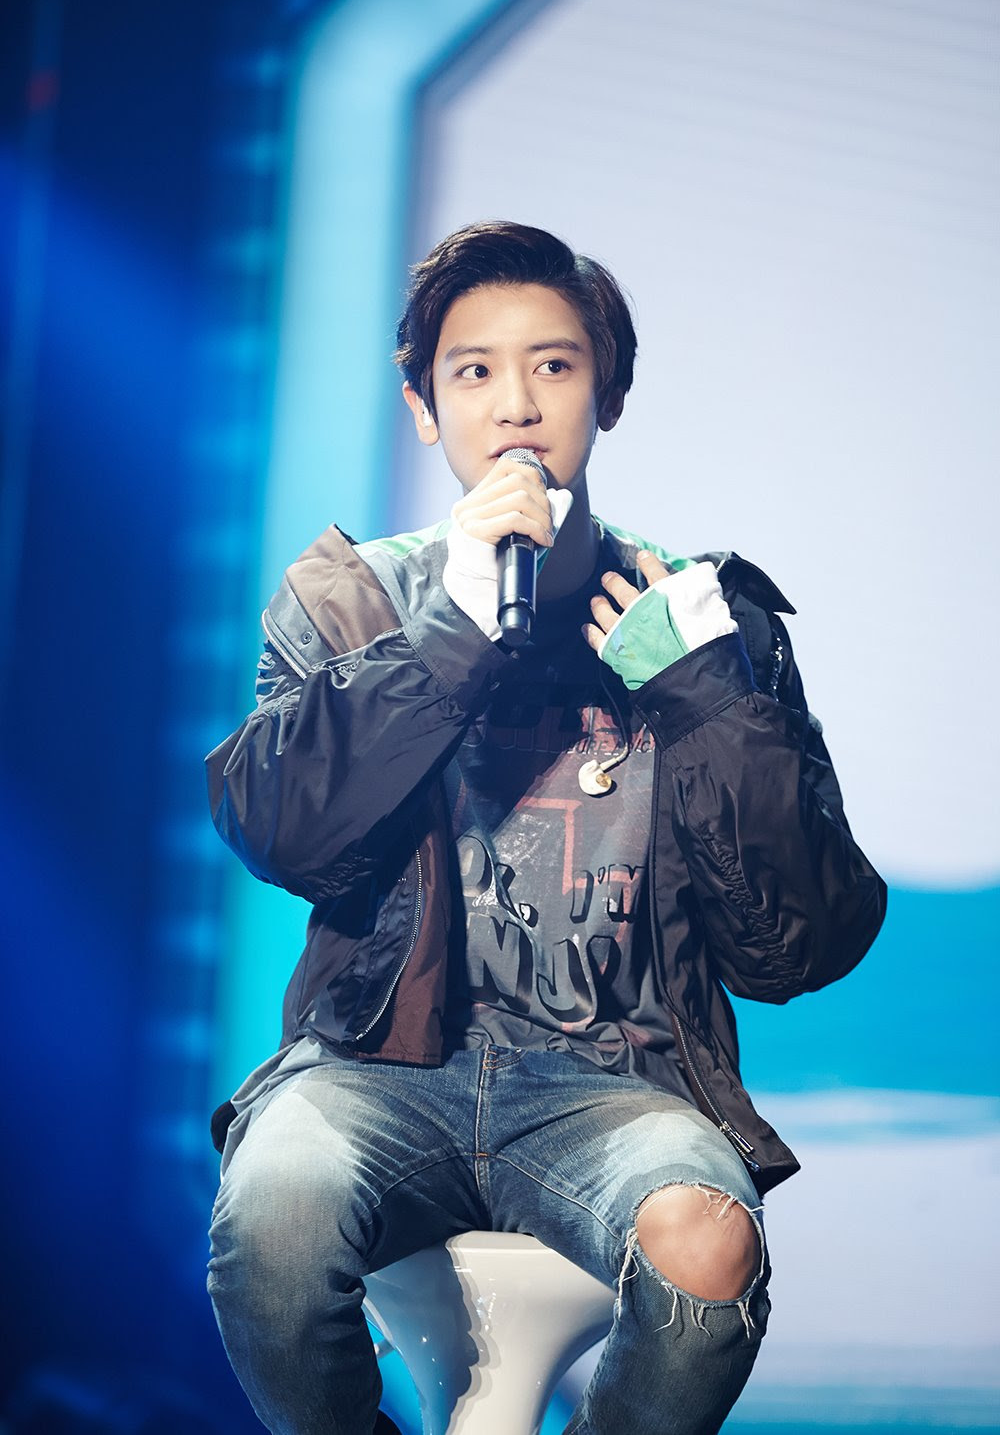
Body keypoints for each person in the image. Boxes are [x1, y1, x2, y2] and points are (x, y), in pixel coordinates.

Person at [205, 221, 886, 1435]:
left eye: (554, 366)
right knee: (272, 1219)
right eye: (473, 371)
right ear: (424, 408)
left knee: (708, 1247)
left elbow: (804, 945)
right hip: (375, 1067)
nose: (515, 404)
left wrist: (708, 703)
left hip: (616, 1080)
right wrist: (447, 640)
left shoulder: (704, 617)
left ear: (605, 394)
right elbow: (282, 835)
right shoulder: (350, 600)